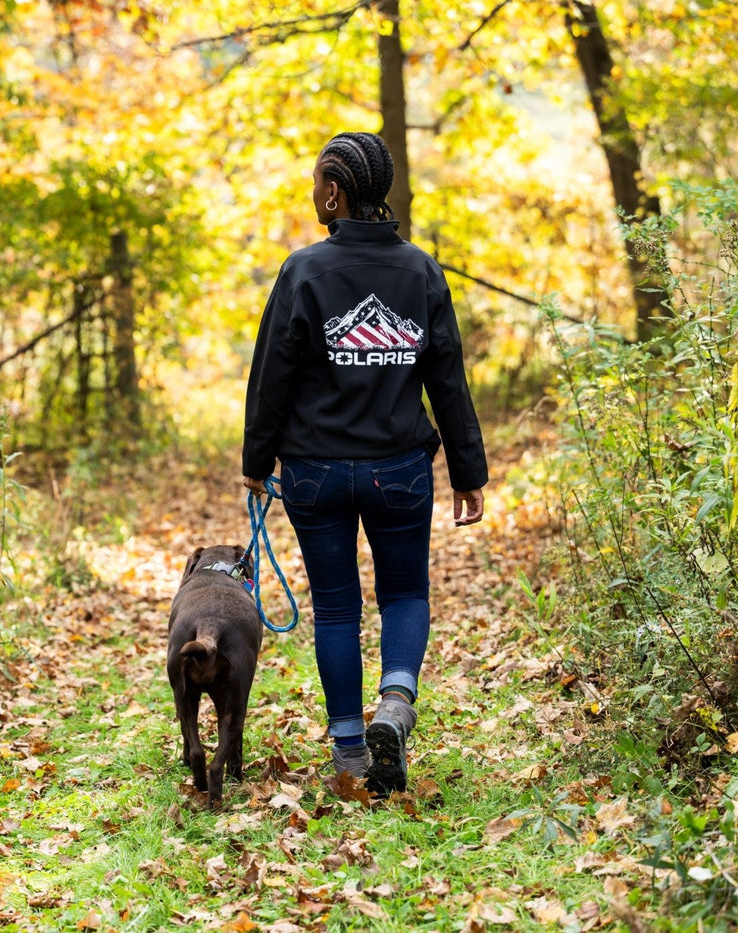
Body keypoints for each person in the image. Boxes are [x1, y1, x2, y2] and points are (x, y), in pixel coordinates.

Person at [242, 132, 487, 797]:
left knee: (338, 608)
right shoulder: (421, 271)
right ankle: (397, 702)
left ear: (334, 191)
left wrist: (256, 459)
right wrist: (469, 469)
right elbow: (448, 378)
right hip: (399, 467)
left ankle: (351, 755)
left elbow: (273, 375)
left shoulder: (303, 272)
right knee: (405, 592)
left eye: (316, 182)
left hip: (316, 472)